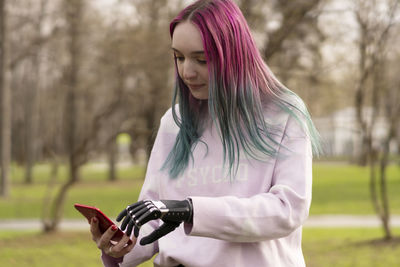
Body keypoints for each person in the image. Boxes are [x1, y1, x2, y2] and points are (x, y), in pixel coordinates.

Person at [89, 0, 321, 266]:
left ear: (235, 55)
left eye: (202, 59)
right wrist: (119, 247)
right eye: (179, 57)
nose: (187, 71)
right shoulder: (173, 123)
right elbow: (153, 219)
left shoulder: (283, 115)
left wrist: (190, 210)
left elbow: (287, 210)